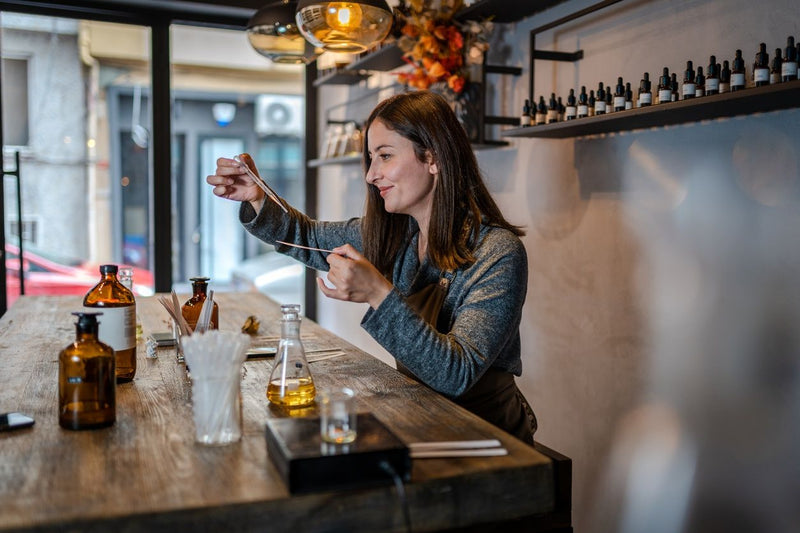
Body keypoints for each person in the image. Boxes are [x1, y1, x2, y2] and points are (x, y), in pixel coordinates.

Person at [207, 90, 537, 445]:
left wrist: (378, 292)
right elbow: (305, 236)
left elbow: (455, 374)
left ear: (433, 158)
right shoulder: (397, 236)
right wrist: (258, 196)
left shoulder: (498, 252)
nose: (371, 174)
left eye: (385, 156)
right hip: (426, 422)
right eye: (370, 158)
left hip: (491, 441)